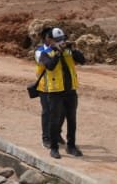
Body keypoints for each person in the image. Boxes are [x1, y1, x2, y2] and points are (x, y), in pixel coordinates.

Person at [34, 26, 85, 158]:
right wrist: (57, 51)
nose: (61, 42)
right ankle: (52, 145)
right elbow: (50, 66)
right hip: (53, 90)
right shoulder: (44, 52)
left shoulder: (68, 51)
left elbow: (82, 60)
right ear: (49, 40)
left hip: (70, 90)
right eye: (57, 40)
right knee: (52, 118)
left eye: (62, 39)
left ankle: (71, 146)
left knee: (71, 119)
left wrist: (73, 50)